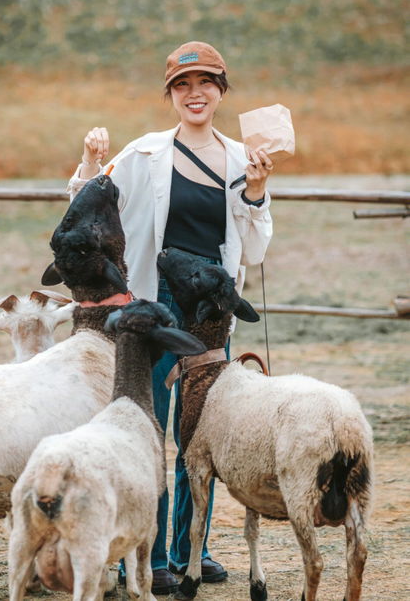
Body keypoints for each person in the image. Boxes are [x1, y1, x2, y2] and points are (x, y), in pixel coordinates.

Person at [67, 41, 273, 594]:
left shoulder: (240, 158)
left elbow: (253, 252)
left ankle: (190, 552)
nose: (194, 94)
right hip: (150, 312)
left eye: (205, 83)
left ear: (221, 91)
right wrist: (89, 162)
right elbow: (88, 200)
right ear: (171, 95)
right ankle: (146, 556)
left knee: (198, 439)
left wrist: (255, 194)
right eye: (183, 85)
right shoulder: (142, 155)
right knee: (144, 431)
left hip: (210, 316)